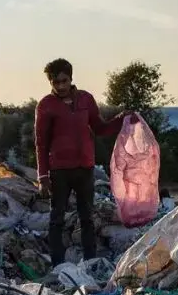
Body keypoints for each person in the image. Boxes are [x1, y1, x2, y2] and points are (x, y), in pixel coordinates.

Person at [35, 58, 128, 266]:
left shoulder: (86, 100)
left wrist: (122, 119)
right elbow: (41, 143)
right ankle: (58, 265)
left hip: (85, 168)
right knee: (57, 218)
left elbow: (100, 128)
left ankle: (90, 262)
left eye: (63, 81)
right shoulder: (46, 105)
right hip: (59, 171)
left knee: (87, 218)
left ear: (71, 78)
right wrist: (43, 176)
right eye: (55, 82)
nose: (60, 86)